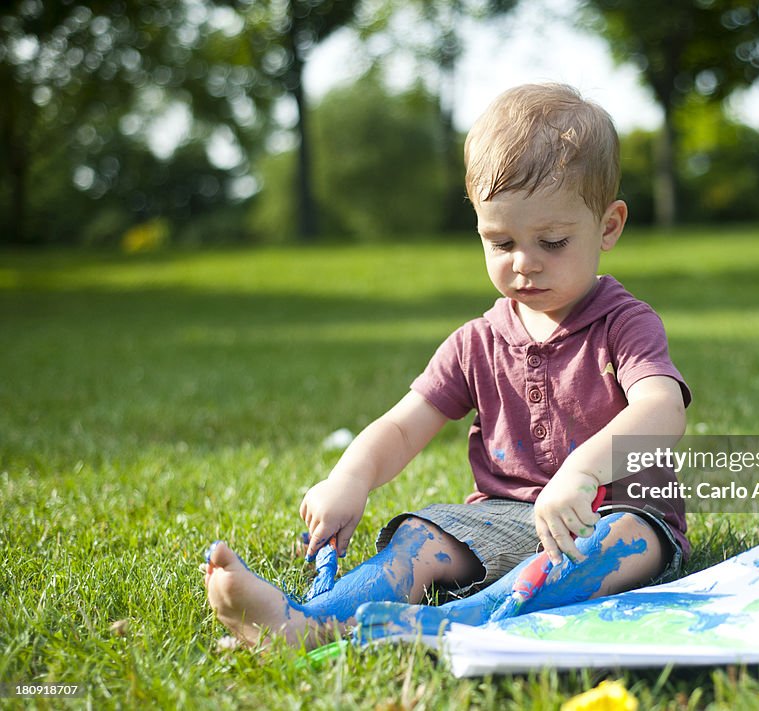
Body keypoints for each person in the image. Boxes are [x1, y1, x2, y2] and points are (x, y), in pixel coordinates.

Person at [202, 83, 692, 649]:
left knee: (616, 539)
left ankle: (466, 622)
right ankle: (305, 621)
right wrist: (350, 478)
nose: (524, 264)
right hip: (505, 516)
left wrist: (582, 472)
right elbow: (403, 424)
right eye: (500, 241)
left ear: (608, 227)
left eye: (553, 241)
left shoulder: (623, 324)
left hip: (613, 511)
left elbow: (663, 407)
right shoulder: (476, 342)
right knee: (418, 537)